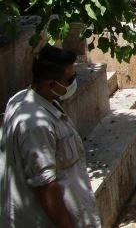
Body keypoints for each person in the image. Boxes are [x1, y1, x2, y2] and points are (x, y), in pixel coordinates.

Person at [0, 45, 102, 227]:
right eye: (70, 79)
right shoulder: (36, 125)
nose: (73, 83)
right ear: (50, 84)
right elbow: (45, 186)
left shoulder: (33, 101)